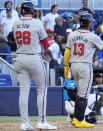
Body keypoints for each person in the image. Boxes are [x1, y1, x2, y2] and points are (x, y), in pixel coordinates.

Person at [63, 13, 103, 128]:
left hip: (74, 65)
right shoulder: (92, 36)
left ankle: (75, 119)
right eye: (91, 22)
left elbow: (67, 52)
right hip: (84, 66)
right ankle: (80, 120)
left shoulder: (72, 34)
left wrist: (66, 66)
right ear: (88, 23)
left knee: (79, 94)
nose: (91, 23)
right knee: (84, 95)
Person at [12, 2, 57, 130]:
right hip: (34, 58)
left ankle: (25, 123)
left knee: (24, 91)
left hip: (20, 57)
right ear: (31, 10)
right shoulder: (37, 22)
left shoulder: (15, 22)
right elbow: (45, 42)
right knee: (42, 90)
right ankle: (42, 121)